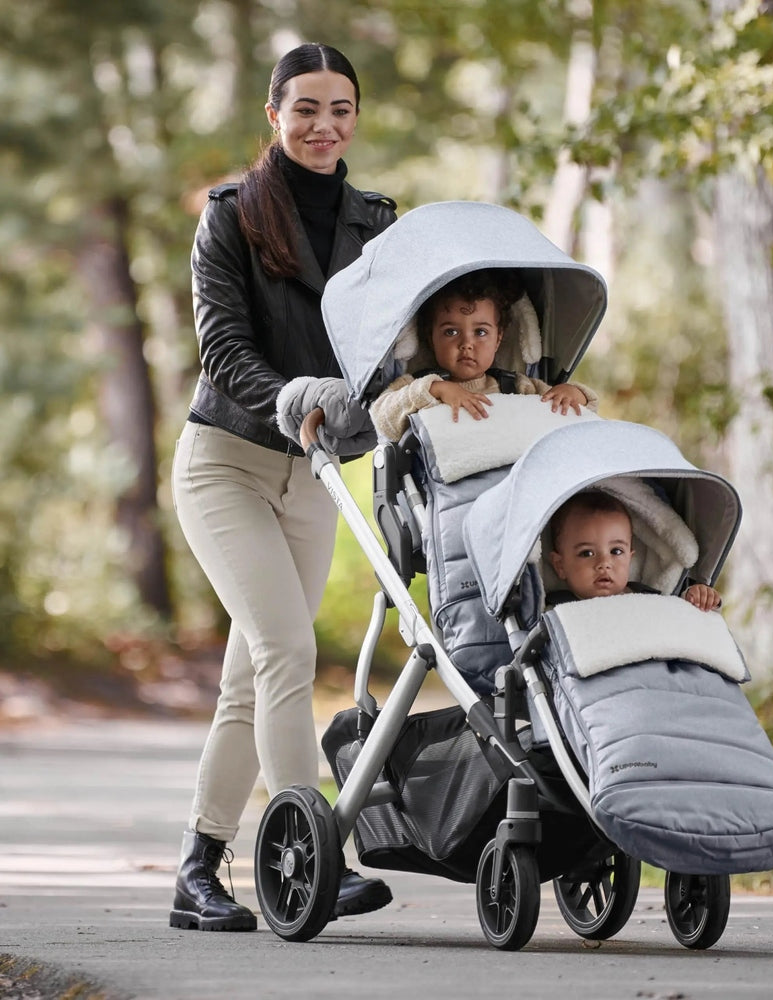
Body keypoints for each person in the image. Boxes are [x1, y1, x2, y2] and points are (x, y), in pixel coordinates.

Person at [169, 42, 396, 933]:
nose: (323, 125)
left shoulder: (377, 222)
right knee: (287, 654)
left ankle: (196, 870)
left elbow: (399, 344)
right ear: (274, 115)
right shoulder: (229, 216)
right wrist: (295, 396)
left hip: (315, 477)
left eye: (340, 109)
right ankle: (312, 853)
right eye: (305, 108)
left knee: (248, 682)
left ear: (354, 118)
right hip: (226, 461)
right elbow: (223, 353)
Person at [369, 268, 598, 441]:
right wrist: (435, 389)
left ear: (498, 339)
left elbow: (582, 412)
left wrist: (573, 393)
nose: (466, 343)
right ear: (430, 338)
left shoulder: (516, 387)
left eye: (480, 332)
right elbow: (382, 418)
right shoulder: (418, 386)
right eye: (451, 332)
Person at [546, 491, 722, 608]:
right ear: (560, 565)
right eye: (587, 553)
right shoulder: (555, 611)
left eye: (616, 551)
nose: (604, 564)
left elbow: (673, 619)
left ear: (630, 558)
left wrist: (694, 597)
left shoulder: (646, 598)